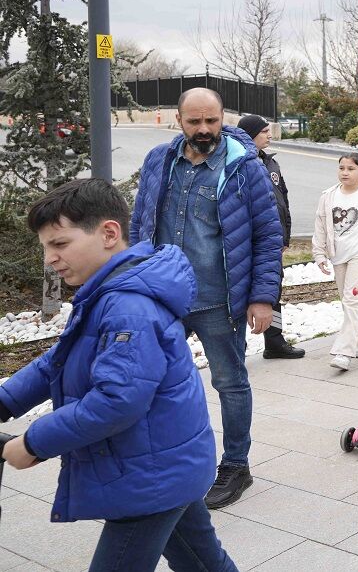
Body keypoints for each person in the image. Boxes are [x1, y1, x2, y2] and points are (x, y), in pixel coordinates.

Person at [1, 180, 237, 572]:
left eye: (59, 244)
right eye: (45, 247)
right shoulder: (108, 291)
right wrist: (6, 400)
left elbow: (116, 401)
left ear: (109, 233)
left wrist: (34, 442)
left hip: (149, 475)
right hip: (164, 463)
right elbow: (57, 361)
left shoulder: (127, 307)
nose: (49, 258)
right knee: (203, 563)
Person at [130, 87, 281, 509]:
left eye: (211, 121)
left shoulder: (242, 167)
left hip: (219, 301)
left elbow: (268, 235)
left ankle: (236, 465)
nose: (203, 129)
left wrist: (263, 297)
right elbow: (139, 222)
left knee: (230, 384)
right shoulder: (159, 160)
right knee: (159, 384)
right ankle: (171, 461)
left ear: (221, 118)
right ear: (178, 120)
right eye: (194, 121)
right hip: (163, 301)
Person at [237, 114, 305, 360]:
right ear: (251, 134)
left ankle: (274, 341)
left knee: (272, 291)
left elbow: (282, 200)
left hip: (272, 242)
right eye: (264, 131)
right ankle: (237, 346)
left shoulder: (270, 163)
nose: (269, 135)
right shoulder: (238, 163)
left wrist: (284, 236)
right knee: (241, 294)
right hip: (248, 243)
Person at [313, 153, 358, 371]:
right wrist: (319, 253)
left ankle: (343, 352)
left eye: (350, 169)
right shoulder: (328, 196)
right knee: (349, 303)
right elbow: (320, 226)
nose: (344, 172)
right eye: (341, 168)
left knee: (353, 300)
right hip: (338, 256)